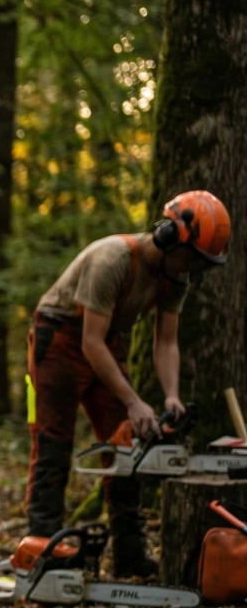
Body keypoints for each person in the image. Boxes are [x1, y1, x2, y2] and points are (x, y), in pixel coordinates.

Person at [24, 190, 230, 576]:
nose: (194, 270)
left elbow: (166, 341)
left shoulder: (176, 276)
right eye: (194, 259)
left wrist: (171, 395)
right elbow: (89, 341)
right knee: (53, 446)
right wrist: (134, 400)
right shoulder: (113, 259)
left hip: (105, 339)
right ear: (171, 237)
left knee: (127, 445)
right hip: (60, 337)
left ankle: (129, 553)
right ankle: (44, 554)